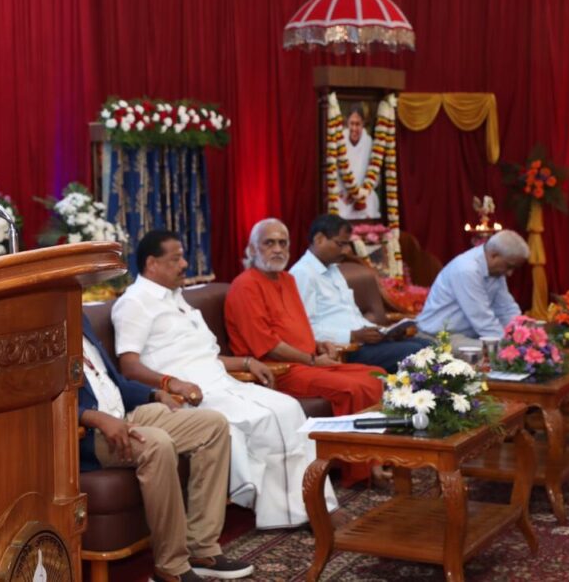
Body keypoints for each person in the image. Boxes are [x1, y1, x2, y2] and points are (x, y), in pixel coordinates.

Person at [111, 230, 338, 530]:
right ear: (152, 263)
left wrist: (246, 362)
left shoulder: (178, 299)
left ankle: (314, 505)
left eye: (183, 256)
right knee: (267, 418)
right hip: (190, 397)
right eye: (176, 258)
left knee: (290, 409)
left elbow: (205, 355)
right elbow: (129, 366)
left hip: (222, 382)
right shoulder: (134, 303)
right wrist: (171, 383)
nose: (184, 264)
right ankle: (294, 513)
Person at [79, 316, 252, 582]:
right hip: (91, 432)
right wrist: (93, 417)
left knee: (213, 425)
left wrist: (155, 393)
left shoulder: (81, 319)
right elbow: (43, 401)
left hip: (125, 414)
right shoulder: (38, 330)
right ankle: (170, 567)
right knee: (157, 443)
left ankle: (201, 547)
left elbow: (112, 383)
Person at [224, 218, 384, 486]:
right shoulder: (245, 286)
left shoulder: (286, 279)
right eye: (269, 243)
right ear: (252, 250)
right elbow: (269, 345)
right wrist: (311, 358)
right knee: (352, 388)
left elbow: (299, 326)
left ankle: (379, 458)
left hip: (306, 363)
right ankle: (360, 470)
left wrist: (319, 343)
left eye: (282, 243)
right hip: (277, 371)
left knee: (377, 375)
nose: (277, 249)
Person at [288, 214, 432, 373]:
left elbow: (353, 316)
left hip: (364, 343)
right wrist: (352, 336)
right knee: (420, 353)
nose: (346, 250)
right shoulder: (302, 274)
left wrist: (385, 333)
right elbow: (305, 329)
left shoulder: (333, 269)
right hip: (345, 350)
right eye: (340, 244)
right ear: (320, 239)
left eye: (347, 244)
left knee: (429, 345)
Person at [415, 230, 529, 349]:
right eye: (509, 266)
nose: (510, 273)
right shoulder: (467, 269)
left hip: (467, 336)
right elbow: (482, 319)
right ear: (494, 255)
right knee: (498, 351)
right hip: (439, 337)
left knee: (518, 350)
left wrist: (523, 335)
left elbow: (506, 309)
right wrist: (509, 346)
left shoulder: (496, 271)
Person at [336, 103, 380, 220]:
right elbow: (333, 173)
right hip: (344, 197)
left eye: (358, 124)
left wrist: (361, 193)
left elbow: (375, 175)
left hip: (365, 196)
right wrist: (345, 193)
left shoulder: (369, 142)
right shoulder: (340, 141)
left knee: (371, 204)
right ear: (347, 123)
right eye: (352, 124)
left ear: (363, 124)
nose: (354, 128)